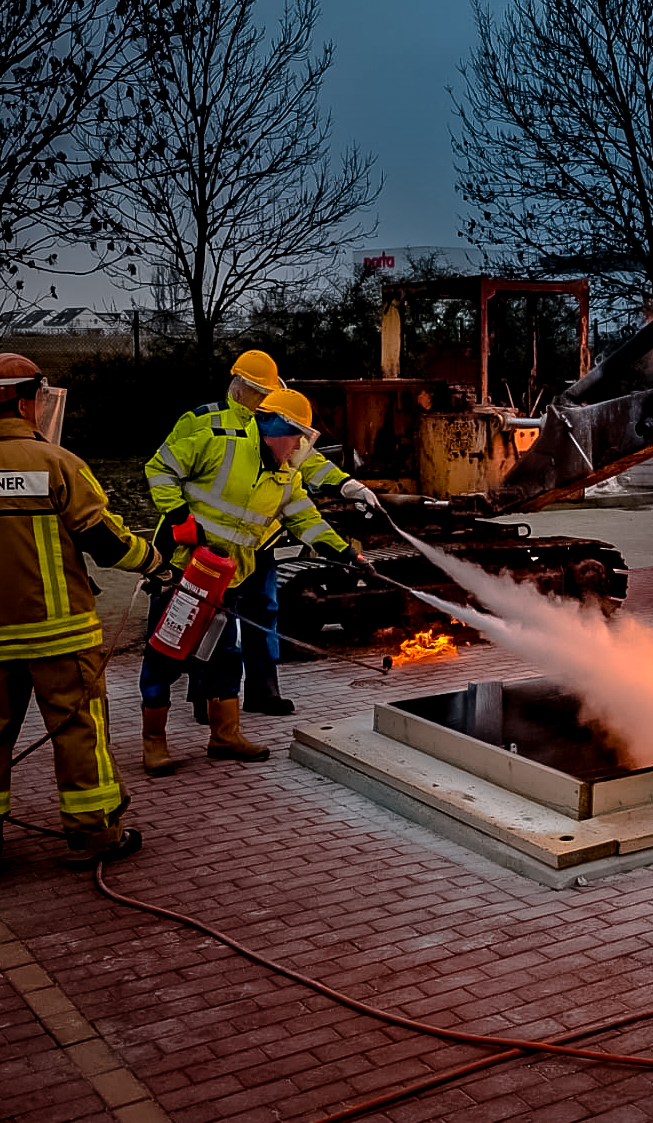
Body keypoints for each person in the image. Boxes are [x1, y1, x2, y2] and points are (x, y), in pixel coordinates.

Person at [0, 354, 169, 869]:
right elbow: (104, 539)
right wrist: (155, 561)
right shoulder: (55, 463)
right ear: (29, 401)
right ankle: (94, 835)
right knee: (78, 730)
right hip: (59, 633)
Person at [141, 384, 358, 774]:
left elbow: (305, 518)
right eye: (297, 437)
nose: (299, 448)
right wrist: (178, 518)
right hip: (184, 572)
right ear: (275, 429)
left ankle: (224, 737)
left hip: (230, 577)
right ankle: (154, 743)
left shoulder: (284, 474)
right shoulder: (215, 441)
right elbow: (159, 467)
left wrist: (343, 552)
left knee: (226, 657)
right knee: (164, 656)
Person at [164, 351, 378, 716]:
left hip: (258, 541)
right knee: (210, 622)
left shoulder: (275, 426)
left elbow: (302, 460)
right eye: (257, 393)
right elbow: (164, 470)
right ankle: (208, 696)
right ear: (239, 387)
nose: (262, 401)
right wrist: (178, 518)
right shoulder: (205, 424)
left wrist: (344, 485)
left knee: (264, 611)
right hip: (208, 546)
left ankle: (263, 691)